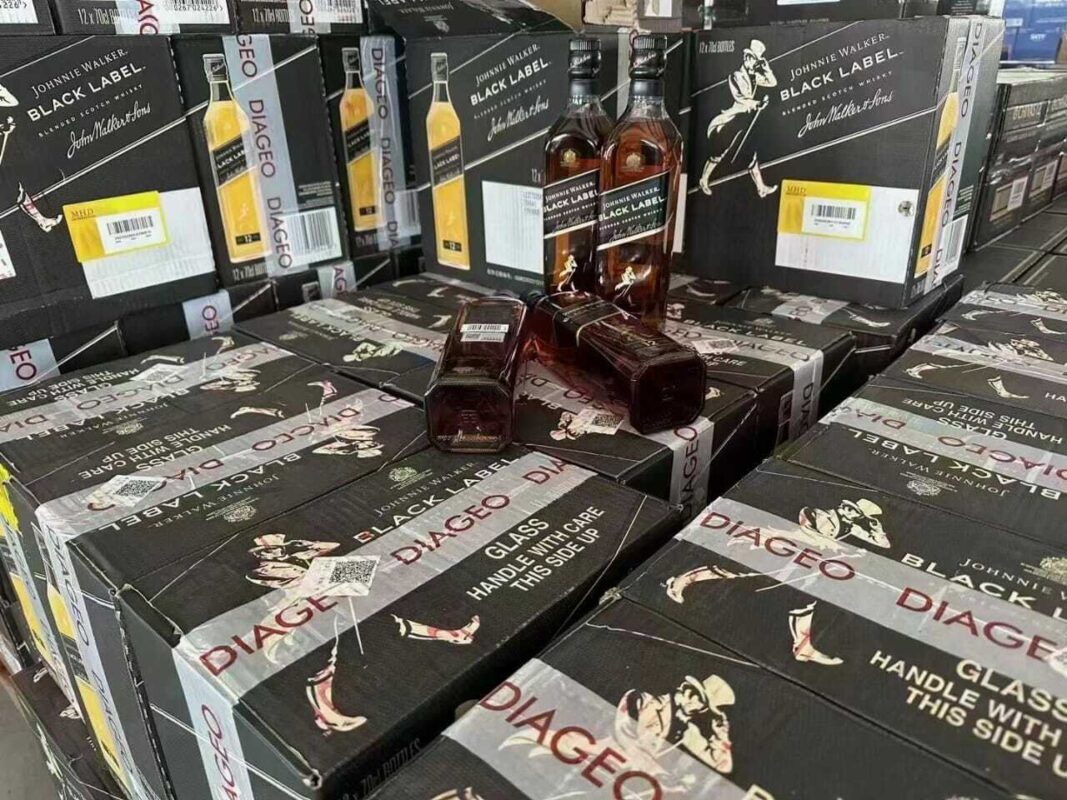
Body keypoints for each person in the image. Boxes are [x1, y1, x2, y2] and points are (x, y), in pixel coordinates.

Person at [699, 39, 777, 198]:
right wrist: (757, 103)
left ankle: (761, 187)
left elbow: (772, 82)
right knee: (719, 151)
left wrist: (766, 68)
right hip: (732, 119)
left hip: (745, 119)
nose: (753, 62)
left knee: (751, 153)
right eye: (752, 59)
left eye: (756, 60)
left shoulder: (754, 76)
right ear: (746, 57)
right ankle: (703, 180)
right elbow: (741, 98)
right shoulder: (737, 75)